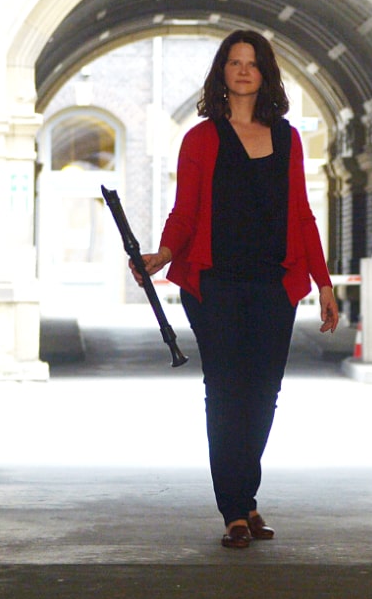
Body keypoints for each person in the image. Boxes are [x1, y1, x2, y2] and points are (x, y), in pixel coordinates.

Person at [132, 29, 340, 548]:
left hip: (275, 284)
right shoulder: (200, 139)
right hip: (216, 286)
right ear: (221, 72)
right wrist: (163, 254)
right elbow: (185, 212)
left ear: (265, 73)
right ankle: (234, 509)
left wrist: (324, 282)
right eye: (234, 61)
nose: (244, 70)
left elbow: (302, 214)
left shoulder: (288, 139)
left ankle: (245, 497)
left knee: (264, 394)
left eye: (253, 63)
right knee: (226, 393)